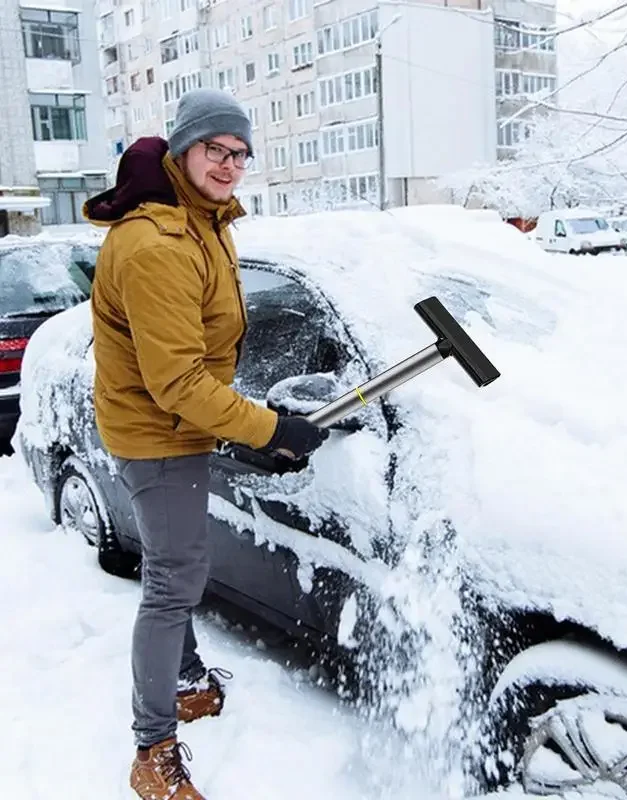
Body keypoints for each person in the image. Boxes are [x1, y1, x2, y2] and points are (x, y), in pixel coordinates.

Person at [84, 88, 329, 800]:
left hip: (173, 424)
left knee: (175, 563)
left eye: (240, 154)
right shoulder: (158, 243)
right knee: (173, 582)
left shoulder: (202, 222)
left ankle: (185, 682)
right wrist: (269, 428)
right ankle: (152, 748)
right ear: (184, 151)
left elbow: (201, 347)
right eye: (215, 150)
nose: (229, 165)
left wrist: (242, 422)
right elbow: (178, 382)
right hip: (158, 433)